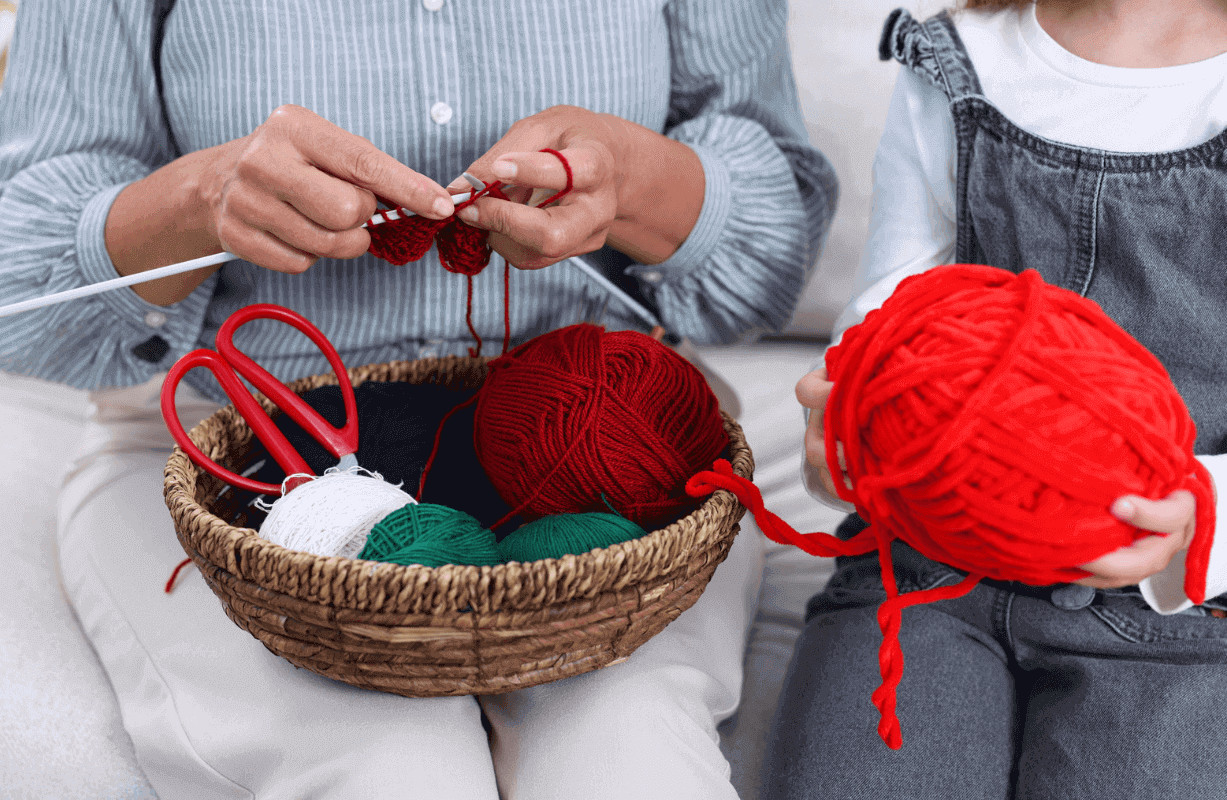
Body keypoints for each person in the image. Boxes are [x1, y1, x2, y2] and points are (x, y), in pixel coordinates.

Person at [0, 1, 837, 797]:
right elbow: (23, 295)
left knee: (631, 753)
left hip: (601, 448)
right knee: (386, 766)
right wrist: (199, 199)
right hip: (240, 455)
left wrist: (636, 181)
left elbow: (768, 268)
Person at [764, 1, 1227, 797]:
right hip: (924, 574)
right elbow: (887, 317)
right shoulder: (956, 59)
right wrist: (840, 425)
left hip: (1178, 612)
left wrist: (1203, 516)